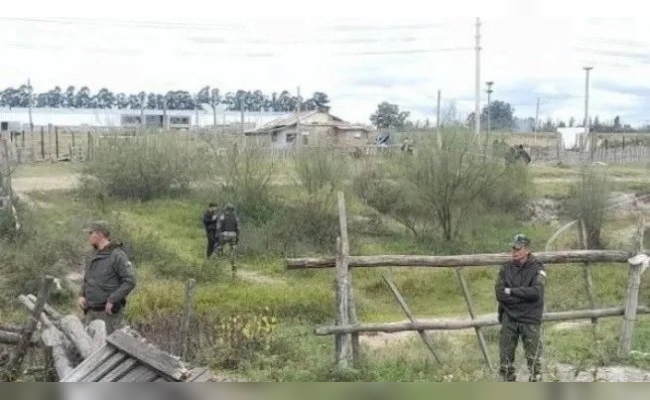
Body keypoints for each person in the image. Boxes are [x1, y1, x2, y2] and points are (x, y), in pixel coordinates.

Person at [495, 233, 546, 382]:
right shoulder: (505, 268)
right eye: (513, 248)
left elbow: (536, 293)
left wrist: (511, 290)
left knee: (534, 361)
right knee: (505, 362)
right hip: (509, 318)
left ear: (527, 250)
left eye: (518, 248)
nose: (515, 252)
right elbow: (499, 293)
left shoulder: (538, 268)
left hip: (530, 319)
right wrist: (523, 295)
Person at [78, 221, 137, 335]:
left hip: (108, 313)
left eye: (91, 233)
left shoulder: (117, 256)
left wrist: (112, 299)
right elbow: (87, 278)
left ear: (100, 235)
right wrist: (81, 295)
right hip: (90, 311)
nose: (88, 236)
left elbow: (130, 280)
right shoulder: (91, 255)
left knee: (106, 347)